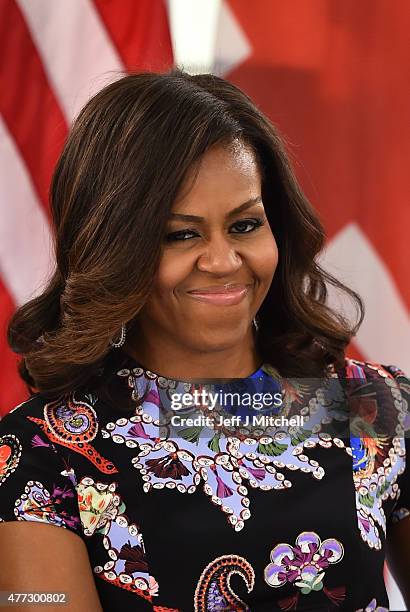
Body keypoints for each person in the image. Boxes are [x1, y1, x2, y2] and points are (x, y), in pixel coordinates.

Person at [0, 68, 408, 612]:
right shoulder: (40, 456)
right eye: (181, 234)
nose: (222, 262)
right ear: (114, 249)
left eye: (244, 226)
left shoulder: (376, 408)